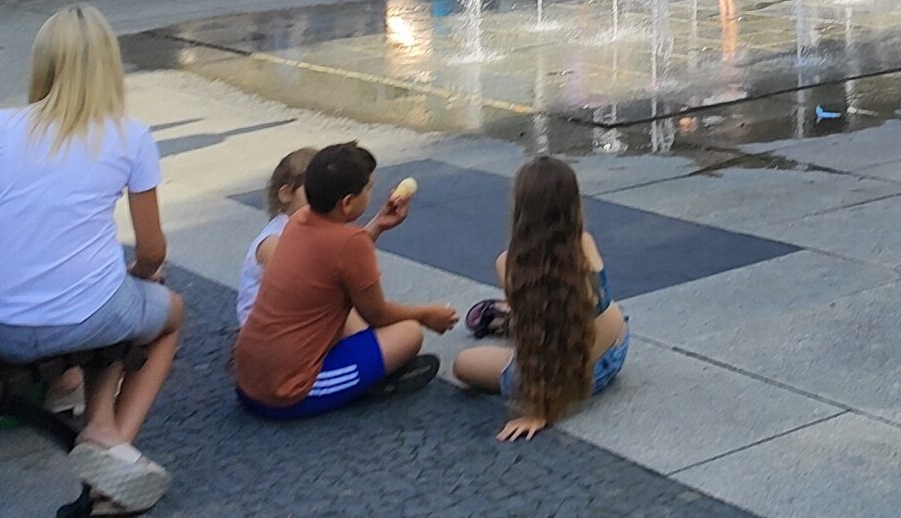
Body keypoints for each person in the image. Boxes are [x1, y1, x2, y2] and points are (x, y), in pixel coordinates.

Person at [0, 5, 182, 514]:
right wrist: (144, 274)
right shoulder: (130, 135)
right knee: (165, 314)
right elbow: (153, 250)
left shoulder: (1, 127)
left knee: (115, 300)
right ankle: (113, 445)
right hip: (89, 314)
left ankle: (99, 427)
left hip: (5, 327)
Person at [234, 141, 453, 417]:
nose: (372, 194)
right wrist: (427, 314)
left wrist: (377, 224)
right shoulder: (351, 243)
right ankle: (370, 381)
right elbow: (378, 313)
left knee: (354, 319)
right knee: (409, 333)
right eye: (369, 188)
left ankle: (369, 366)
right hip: (284, 393)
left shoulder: (299, 220)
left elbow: (335, 260)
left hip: (248, 380)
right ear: (348, 202)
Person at [451, 154, 628, 438]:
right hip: (616, 350)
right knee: (567, 307)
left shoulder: (510, 264)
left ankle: (504, 315)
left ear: (520, 211)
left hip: (575, 379)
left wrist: (539, 411)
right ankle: (505, 313)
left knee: (464, 364)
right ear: (574, 206)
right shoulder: (585, 243)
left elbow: (539, 347)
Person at [238, 147, 318, 328]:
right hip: (266, 331)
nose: (322, 199)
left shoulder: (310, 229)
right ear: (286, 193)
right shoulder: (273, 241)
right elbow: (292, 293)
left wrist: (377, 224)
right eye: (313, 192)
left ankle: (367, 345)